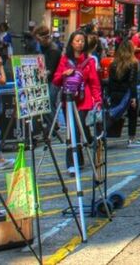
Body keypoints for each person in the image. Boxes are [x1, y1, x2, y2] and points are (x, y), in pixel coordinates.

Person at [52, 30, 103, 174]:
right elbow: (56, 79)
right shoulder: (64, 60)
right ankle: (73, 162)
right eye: (77, 41)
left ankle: (78, 160)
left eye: (82, 41)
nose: (80, 43)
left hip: (83, 100)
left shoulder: (90, 60)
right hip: (67, 99)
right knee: (71, 130)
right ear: (71, 43)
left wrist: (97, 100)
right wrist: (63, 74)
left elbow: (94, 82)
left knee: (77, 129)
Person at [107, 40, 140, 148]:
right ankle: (131, 139)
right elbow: (132, 82)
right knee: (132, 115)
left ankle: (102, 137)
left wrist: (109, 94)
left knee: (113, 114)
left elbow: (110, 81)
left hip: (115, 93)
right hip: (127, 94)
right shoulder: (133, 63)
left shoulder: (113, 63)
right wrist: (134, 98)